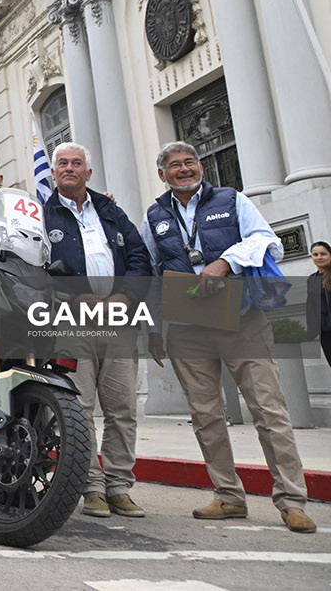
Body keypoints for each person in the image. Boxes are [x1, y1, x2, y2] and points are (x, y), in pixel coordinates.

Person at [141, 141, 316, 534]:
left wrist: (225, 261)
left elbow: (265, 239)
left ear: (200, 166)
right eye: (175, 165)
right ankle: (228, 497)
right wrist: (153, 329)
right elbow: (151, 276)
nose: (184, 169)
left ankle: (292, 501)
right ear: (162, 174)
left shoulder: (231, 199)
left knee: (269, 412)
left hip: (242, 318)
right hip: (187, 329)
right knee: (206, 416)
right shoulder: (154, 216)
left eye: (190, 162)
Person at [43, 142, 151, 519]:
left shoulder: (111, 211)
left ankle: (119, 487)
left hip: (119, 320)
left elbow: (140, 257)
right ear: (53, 173)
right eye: (63, 164)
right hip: (71, 322)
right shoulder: (42, 214)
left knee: (123, 408)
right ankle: (91, 488)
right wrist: (75, 297)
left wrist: (125, 295)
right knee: (79, 407)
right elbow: (34, 268)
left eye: (77, 163)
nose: (69, 168)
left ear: (88, 173)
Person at [306, 241, 331, 368]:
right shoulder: (312, 279)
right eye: (315, 254)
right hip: (325, 332)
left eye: (323, 254)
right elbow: (311, 306)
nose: (319, 257)